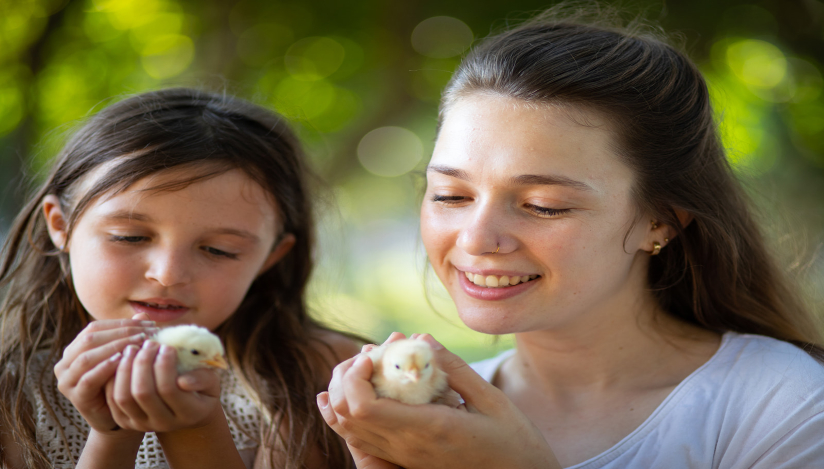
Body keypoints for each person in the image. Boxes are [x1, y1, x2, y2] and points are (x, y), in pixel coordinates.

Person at [317, 6, 824, 469]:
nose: (477, 238)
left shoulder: (784, 405)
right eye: (451, 195)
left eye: (543, 206)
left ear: (662, 220)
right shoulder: (422, 419)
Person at [0, 88, 361, 469]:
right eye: (130, 237)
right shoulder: (11, 388)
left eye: (219, 250)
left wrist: (196, 430)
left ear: (271, 256)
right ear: (61, 226)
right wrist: (112, 438)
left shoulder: (319, 377)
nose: (168, 274)